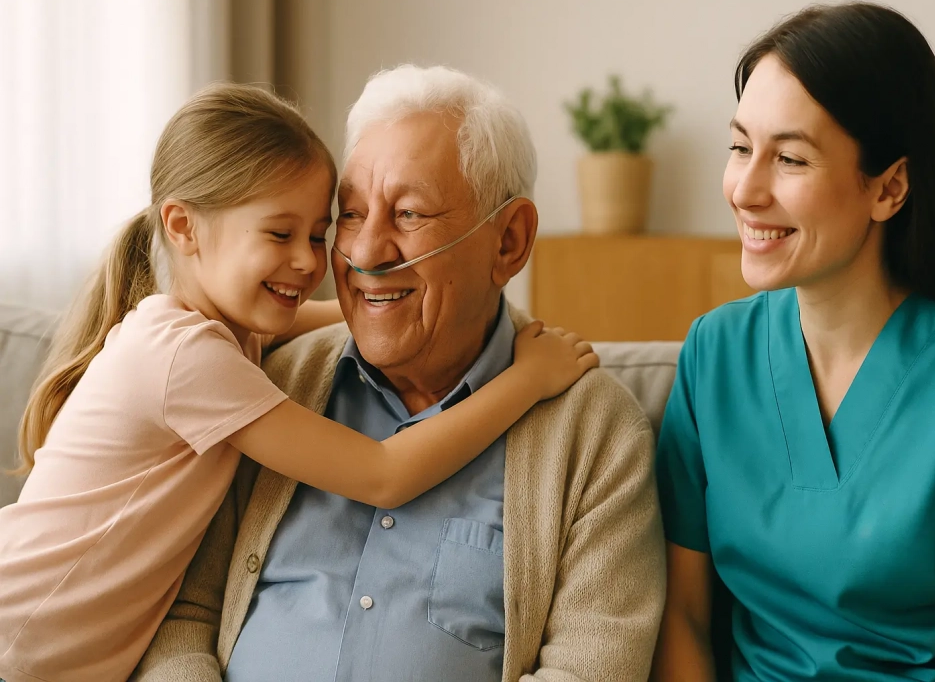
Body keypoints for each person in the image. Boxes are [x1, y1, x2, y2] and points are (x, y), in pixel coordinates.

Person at [0, 83, 598, 682]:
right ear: (183, 227)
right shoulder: (186, 359)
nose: (312, 264)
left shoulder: (228, 333)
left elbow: (356, 310)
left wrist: (395, 291)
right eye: (280, 235)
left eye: (319, 234)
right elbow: (382, 475)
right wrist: (526, 380)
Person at [135, 65, 666, 682]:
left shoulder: (596, 434)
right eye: (351, 216)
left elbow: (591, 666)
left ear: (509, 242)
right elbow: (182, 613)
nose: (364, 254)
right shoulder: (264, 383)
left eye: (409, 214)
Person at [652, 2, 935, 681]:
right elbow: (681, 615)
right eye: (740, 146)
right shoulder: (714, 354)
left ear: (890, 187)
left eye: (790, 158)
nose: (744, 189)